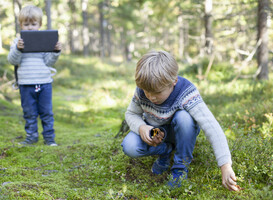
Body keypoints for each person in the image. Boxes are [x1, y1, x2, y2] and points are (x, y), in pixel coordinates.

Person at [121, 50, 239, 191]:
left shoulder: (186, 92)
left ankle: (180, 169)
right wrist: (141, 127)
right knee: (129, 146)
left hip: (179, 132)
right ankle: (165, 151)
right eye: (147, 92)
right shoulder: (143, 88)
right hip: (155, 132)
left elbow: (211, 126)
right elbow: (131, 113)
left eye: (157, 92)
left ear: (174, 81)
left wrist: (225, 165)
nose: (151, 97)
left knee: (184, 117)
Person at [7, 5, 61, 146]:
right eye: (26, 24)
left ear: (39, 24)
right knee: (29, 113)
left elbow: (49, 62)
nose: (30, 27)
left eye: (33, 24)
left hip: (44, 82)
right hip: (25, 84)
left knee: (46, 112)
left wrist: (55, 52)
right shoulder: (17, 42)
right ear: (21, 25)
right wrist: (18, 49)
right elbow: (12, 60)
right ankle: (31, 136)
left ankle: (49, 138)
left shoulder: (43, 41)